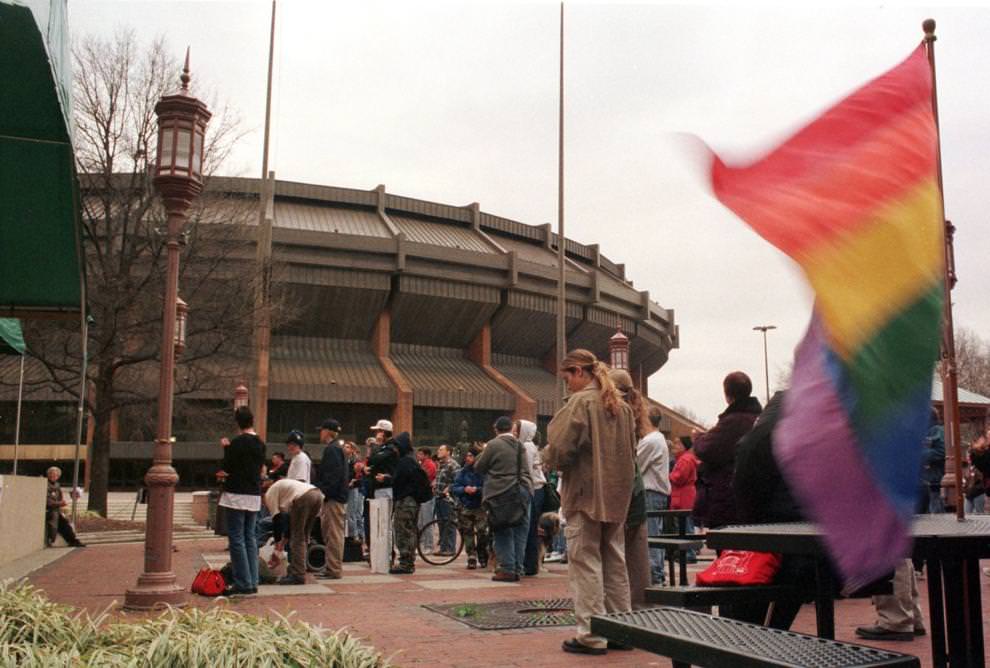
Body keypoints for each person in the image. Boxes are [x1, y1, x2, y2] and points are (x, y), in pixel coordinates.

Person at [544, 349, 636, 656]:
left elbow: (558, 448)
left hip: (585, 493)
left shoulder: (581, 402)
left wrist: (548, 461)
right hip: (616, 494)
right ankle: (622, 630)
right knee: (614, 561)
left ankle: (592, 634)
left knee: (586, 562)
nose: (566, 384)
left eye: (567, 376)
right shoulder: (621, 407)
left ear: (580, 372)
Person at [692, 371, 762, 530]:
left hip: (728, 498)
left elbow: (707, 449)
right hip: (752, 496)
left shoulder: (733, 422)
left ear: (728, 395)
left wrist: (698, 438)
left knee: (729, 548)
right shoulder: (758, 418)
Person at [476, 416, 532, 582]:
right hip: (524, 489)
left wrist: (484, 449)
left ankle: (507, 569)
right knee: (520, 530)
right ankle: (518, 568)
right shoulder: (520, 445)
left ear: (496, 429)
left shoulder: (494, 444)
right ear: (510, 428)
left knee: (502, 529)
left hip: (502, 491)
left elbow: (479, 467)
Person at [217, 406, 266, 596]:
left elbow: (228, 466)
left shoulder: (237, 443)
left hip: (236, 493)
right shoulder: (260, 444)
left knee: (236, 538)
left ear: (238, 423)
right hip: (253, 493)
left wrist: (226, 448)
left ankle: (243, 582)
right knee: (250, 537)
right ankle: (253, 580)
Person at [264, 477, 324, 585]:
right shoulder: (284, 489)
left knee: (297, 538)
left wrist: (277, 549)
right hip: (317, 494)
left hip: (303, 497)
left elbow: (277, 520)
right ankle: (299, 568)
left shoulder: (269, 494)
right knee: (304, 536)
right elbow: (289, 524)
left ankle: (298, 575)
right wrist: (282, 544)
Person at [638, 403, 670, 586]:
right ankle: (657, 571)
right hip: (658, 492)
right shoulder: (659, 439)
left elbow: (637, 465)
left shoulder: (650, 441)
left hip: (650, 492)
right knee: (655, 533)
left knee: (651, 534)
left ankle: (655, 573)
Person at [315, 418, 349, 580]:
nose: (320, 433)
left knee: (333, 534)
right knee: (332, 533)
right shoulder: (337, 448)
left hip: (333, 498)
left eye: (322, 430)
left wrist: (325, 492)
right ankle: (332, 567)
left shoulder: (332, 450)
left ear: (328, 431)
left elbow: (333, 476)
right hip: (336, 497)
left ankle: (333, 568)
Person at [388, 432, 422, 574]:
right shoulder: (411, 460)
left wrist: (387, 479)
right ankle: (408, 560)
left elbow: (399, 481)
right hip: (412, 501)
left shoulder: (405, 461)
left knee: (403, 531)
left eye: (396, 446)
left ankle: (406, 563)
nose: (395, 449)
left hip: (405, 501)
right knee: (410, 531)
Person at [451, 445, 488, 569]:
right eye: (467, 455)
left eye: (471, 456)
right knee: (467, 532)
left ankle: (482, 553)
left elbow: (488, 487)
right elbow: (455, 487)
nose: (468, 458)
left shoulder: (483, 472)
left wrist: (477, 490)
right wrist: (464, 489)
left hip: (480, 506)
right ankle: (471, 555)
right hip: (466, 505)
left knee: (482, 531)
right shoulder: (463, 472)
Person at [518, 419, 547, 576]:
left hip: (534, 489)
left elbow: (527, 470)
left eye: (518, 429)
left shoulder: (527, 447)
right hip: (534, 489)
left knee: (529, 528)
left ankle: (530, 565)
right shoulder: (527, 446)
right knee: (530, 528)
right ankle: (530, 563)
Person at [668, 435, 699, 560]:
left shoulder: (685, 460)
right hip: (683, 494)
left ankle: (689, 552)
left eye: (677, 444)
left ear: (684, 446)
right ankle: (688, 552)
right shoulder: (685, 458)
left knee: (685, 524)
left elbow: (678, 478)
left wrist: (668, 476)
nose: (674, 446)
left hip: (683, 495)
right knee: (685, 524)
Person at [44, 467, 85, 548]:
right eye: (51, 474)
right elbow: (48, 502)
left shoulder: (57, 485)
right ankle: (54, 540)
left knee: (65, 525)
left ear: (58, 476)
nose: (53, 476)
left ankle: (73, 541)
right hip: (48, 511)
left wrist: (62, 504)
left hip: (56, 510)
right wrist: (60, 503)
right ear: (48, 475)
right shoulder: (45, 484)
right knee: (58, 523)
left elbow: (60, 498)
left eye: (55, 475)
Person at [433, 443, 460, 556]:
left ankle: (450, 548)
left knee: (449, 522)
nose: (439, 451)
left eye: (441, 449)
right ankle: (443, 547)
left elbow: (457, 480)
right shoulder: (440, 464)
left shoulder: (453, 465)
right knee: (441, 523)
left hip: (448, 498)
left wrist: (448, 488)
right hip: (438, 497)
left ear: (448, 452)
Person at [920, 408, 945, 514]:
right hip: (926, 481)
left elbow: (942, 451)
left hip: (934, 480)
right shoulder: (926, 432)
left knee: (935, 513)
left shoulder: (937, 431)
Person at [416, 447, 438, 552]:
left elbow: (425, 478)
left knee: (427, 521)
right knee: (420, 522)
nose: (418, 456)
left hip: (427, 496)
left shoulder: (429, 464)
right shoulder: (422, 464)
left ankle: (429, 545)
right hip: (421, 495)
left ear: (426, 455)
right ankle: (422, 544)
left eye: (420, 454)